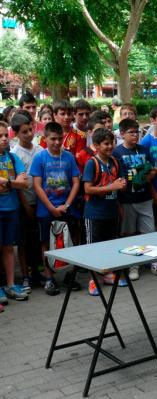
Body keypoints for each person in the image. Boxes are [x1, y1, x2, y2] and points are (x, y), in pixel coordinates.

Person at [113, 119, 157, 280]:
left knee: (149, 232)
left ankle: (154, 264)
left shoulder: (144, 150)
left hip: (145, 198)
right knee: (130, 233)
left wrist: (151, 186)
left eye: (137, 132)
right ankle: (133, 266)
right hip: (128, 200)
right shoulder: (117, 153)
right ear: (122, 134)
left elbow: (151, 172)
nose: (135, 135)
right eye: (131, 132)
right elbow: (120, 179)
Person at [31, 122, 81, 296]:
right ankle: (49, 277)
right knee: (46, 242)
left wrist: (66, 205)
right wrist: (51, 207)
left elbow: (75, 182)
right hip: (46, 209)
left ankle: (69, 274)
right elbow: (37, 185)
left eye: (60, 138)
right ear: (45, 139)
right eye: (53, 139)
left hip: (67, 207)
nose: (57, 142)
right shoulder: (39, 158)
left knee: (70, 240)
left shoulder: (68, 157)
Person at [82, 128, 127, 295]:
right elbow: (87, 189)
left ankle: (108, 274)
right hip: (94, 214)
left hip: (112, 212)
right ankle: (93, 279)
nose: (110, 146)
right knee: (93, 247)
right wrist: (111, 187)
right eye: (106, 143)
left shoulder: (115, 162)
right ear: (96, 146)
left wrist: (122, 185)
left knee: (110, 246)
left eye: (112, 143)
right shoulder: (91, 163)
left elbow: (121, 182)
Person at [11, 114, 43, 292]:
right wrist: (26, 206)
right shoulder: (15, 154)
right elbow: (19, 186)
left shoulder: (39, 150)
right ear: (16, 134)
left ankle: (38, 271)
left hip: (40, 202)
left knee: (37, 239)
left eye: (31, 129)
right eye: (24, 132)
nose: (30, 134)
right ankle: (25, 275)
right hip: (24, 203)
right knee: (23, 241)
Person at [0, 121, 30, 302]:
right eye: (0, 136)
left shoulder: (12, 158)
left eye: (5, 135)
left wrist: (6, 182)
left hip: (11, 209)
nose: (4, 139)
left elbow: (24, 183)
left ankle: (10, 285)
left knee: (9, 248)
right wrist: (14, 181)